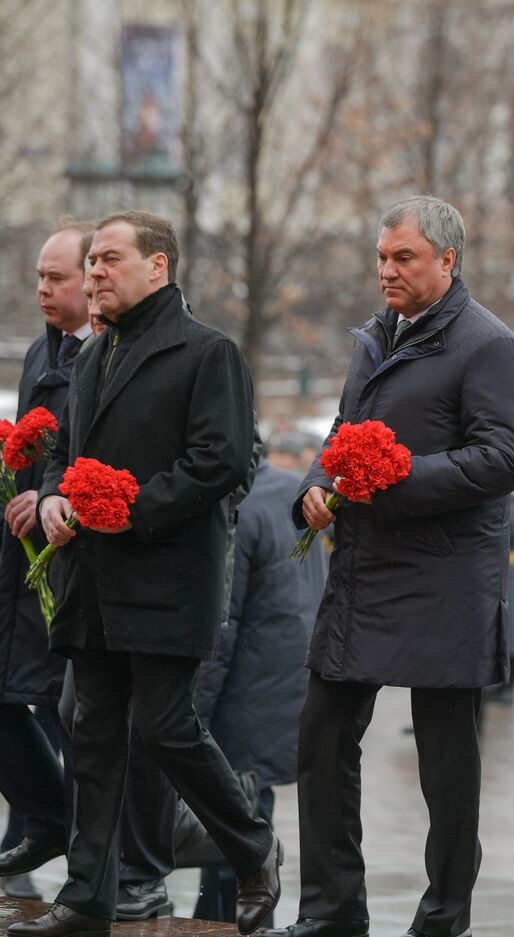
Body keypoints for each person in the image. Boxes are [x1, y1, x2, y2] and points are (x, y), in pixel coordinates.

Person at [11, 210, 280, 937]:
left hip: (167, 579)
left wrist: (126, 510)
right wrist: (63, 495)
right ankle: (88, 895)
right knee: (93, 731)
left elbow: (220, 461)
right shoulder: (94, 355)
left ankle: (254, 846)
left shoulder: (207, 352)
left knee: (165, 729)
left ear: (158, 267)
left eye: (109, 259)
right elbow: (67, 451)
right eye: (91, 260)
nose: (95, 271)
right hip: (93, 582)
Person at [268, 195, 514, 937]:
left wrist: (389, 476)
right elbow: (341, 434)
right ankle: (330, 910)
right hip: (364, 571)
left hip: (445, 577)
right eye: (381, 256)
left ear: (447, 261)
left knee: (445, 765)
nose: (386, 270)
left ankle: (444, 917)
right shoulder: (375, 337)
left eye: (403, 257)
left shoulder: (489, 345)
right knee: (321, 738)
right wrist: (318, 487)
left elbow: (503, 459)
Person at [190, 451, 328, 922]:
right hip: (289, 678)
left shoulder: (239, 508)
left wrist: (194, 714)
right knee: (250, 806)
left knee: (235, 814)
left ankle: (232, 923)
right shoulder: (292, 488)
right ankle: (220, 915)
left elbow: (221, 625)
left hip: (244, 689)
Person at [0, 218, 94, 895]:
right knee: (14, 697)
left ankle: (97, 852)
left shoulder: (108, 353)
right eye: (39, 276)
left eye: (56, 277)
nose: (43, 289)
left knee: (68, 713)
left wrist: (55, 495)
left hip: (76, 562)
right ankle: (45, 819)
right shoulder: (43, 353)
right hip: (24, 563)